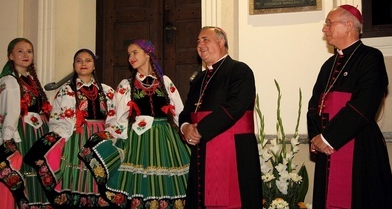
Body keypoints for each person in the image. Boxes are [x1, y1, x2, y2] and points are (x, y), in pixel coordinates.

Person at [79, 39, 190, 208]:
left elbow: (179, 111)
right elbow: (117, 116)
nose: (131, 57)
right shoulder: (126, 85)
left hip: (165, 138)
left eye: (135, 52)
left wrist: (186, 131)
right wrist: (112, 136)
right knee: (140, 182)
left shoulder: (165, 82)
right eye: (128, 54)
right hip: (139, 139)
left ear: (148, 53)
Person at [307, 5, 392, 208]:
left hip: (359, 145)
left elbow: (364, 103)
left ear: (348, 26)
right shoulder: (328, 65)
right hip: (326, 147)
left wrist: (328, 138)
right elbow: (314, 105)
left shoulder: (370, 58)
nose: (324, 29)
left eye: (329, 23)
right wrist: (316, 136)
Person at [179, 26, 262, 208]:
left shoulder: (240, 71)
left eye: (205, 39)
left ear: (221, 42)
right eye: (198, 41)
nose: (200, 44)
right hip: (203, 150)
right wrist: (185, 127)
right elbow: (186, 111)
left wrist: (199, 129)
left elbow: (235, 107)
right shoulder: (199, 79)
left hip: (234, 150)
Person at [24, 49, 115, 207]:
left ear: (94, 66)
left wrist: (111, 134)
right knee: (76, 176)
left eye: (88, 60)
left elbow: (114, 116)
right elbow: (57, 118)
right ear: (74, 66)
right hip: (76, 137)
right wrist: (63, 137)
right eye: (79, 61)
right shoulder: (66, 91)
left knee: (98, 176)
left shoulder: (107, 91)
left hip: (99, 139)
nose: (83, 64)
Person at [0, 38, 53, 208]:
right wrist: (8, 139)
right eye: (20, 51)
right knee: (24, 172)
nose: (25, 55)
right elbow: (9, 112)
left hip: (38, 132)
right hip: (22, 133)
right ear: (11, 56)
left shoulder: (31, 79)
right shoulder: (9, 81)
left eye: (29, 51)